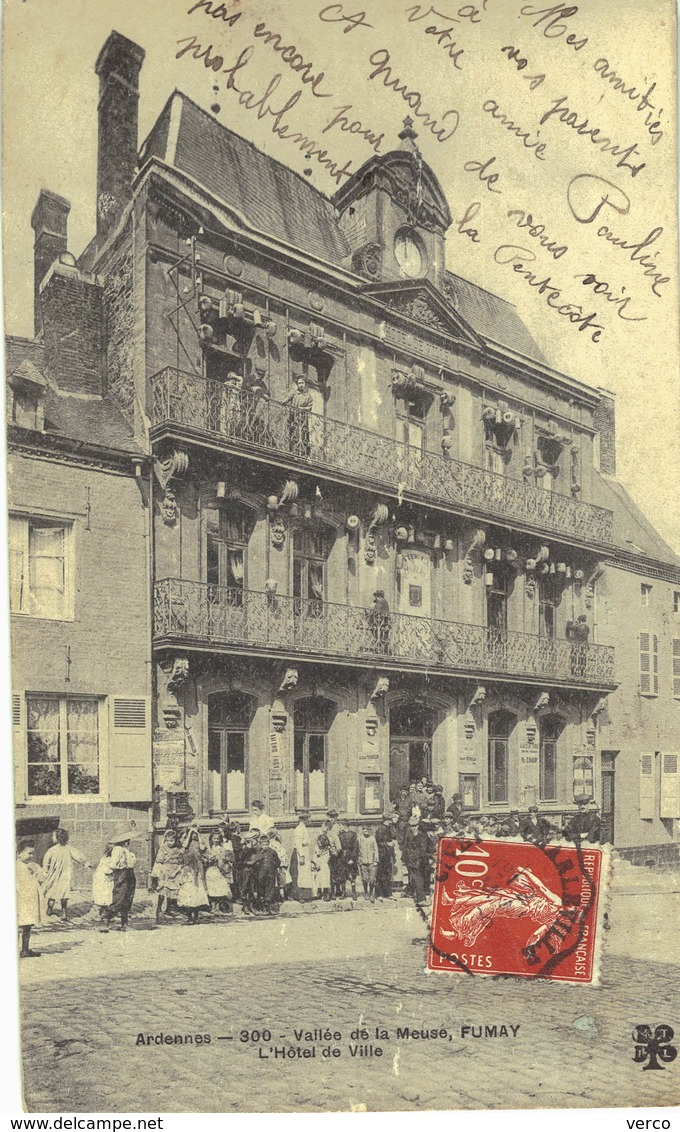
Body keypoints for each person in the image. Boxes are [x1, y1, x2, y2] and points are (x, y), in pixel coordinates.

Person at [42, 828, 91, 922]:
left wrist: (45, 870)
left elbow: (46, 861)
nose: (52, 837)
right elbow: (79, 856)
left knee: (52, 891)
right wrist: (85, 863)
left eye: (53, 836)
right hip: (64, 875)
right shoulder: (68, 849)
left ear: (58, 838)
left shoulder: (52, 850)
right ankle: (62, 911)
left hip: (56, 875)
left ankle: (50, 909)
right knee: (63, 893)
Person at [99, 833, 137, 932]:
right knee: (120, 897)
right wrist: (113, 869)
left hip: (129, 874)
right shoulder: (117, 849)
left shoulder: (126, 850)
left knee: (127, 899)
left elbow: (131, 863)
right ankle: (106, 918)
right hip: (122, 874)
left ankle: (124, 923)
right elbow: (113, 863)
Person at [16, 839, 45, 958]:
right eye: (28, 853)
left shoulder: (33, 866)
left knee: (27, 925)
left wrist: (37, 872)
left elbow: (42, 879)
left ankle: (25, 949)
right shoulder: (16, 867)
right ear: (19, 854)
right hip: (20, 900)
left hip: (29, 900)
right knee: (18, 926)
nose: (31, 856)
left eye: (32, 853)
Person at [150, 828, 184, 922]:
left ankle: (169, 909)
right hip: (165, 871)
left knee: (172, 891)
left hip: (175, 871)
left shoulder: (179, 849)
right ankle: (159, 909)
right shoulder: (163, 848)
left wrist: (176, 871)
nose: (169, 842)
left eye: (171, 840)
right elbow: (159, 860)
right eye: (167, 840)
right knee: (163, 890)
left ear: (175, 840)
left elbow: (181, 862)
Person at [177, 828, 209, 925]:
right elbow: (184, 845)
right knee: (188, 893)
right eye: (192, 834)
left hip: (198, 868)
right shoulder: (186, 844)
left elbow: (203, 848)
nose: (194, 835)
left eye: (195, 833)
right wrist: (190, 833)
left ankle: (196, 916)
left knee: (197, 890)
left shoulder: (199, 842)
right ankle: (190, 916)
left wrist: (198, 834)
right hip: (188, 868)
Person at [401, 815, 431, 904]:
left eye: (415, 826)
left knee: (416, 877)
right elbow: (404, 846)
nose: (413, 828)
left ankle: (407, 892)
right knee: (418, 879)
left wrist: (420, 858)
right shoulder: (407, 834)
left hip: (419, 860)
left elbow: (423, 849)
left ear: (418, 826)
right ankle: (421, 900)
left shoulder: (422, 835)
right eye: (411, 826)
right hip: (410, 860)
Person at [204, 830, 234, 914]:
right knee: (212, 889)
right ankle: (213, 907)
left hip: (219, 871)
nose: (216, 840)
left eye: (218, 838)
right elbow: (205, 858)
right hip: (211, 870)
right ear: (211, 839)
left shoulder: (222, 849)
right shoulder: (208, 848)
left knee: (219, 889)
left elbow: (225, 859)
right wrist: (209, 859)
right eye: (214, 838)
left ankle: (218, 907)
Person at [284, 374, 313, 457]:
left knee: (303, 434)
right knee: (293, 432)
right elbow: (288, 397)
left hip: (303, 418)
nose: (301, 385)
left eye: (302, 383)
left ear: (305, 384)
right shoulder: (294, 392)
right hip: (293, 416)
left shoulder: (308, 396)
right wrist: (284, 401)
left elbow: (309, 407)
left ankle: (304, 453)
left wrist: (302, 408)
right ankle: (293, 451)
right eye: (299, 383)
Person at [290, 811, 314, 902]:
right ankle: (300, 895)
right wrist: (302, 856)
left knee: (305, 874)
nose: (309, 820)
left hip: (305, 852)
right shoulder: (299, 829)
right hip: (301, 853)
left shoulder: (304, 828)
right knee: (301, 874)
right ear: (304, 819)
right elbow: (298, 843)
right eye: (308, 818)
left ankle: (306, 895)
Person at [257, 833, 281, 914]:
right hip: (261, 875)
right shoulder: (258, 852)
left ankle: (269, 907)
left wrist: (274, 867)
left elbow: (278, 862)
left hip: (271, 874)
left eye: (266, 844)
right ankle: (262, 908)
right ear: (260, 844)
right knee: (261, 890)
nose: (265, 846)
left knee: (270, 890)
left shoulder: (273, 852)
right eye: (263, 844)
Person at [375, 816, 395, 899]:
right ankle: (379, 894)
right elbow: (378, 842)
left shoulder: (388, 828)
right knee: (381, 874)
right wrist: (387, 844)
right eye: (389, 820)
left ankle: (387, 893)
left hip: (387, 854)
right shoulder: (381, 829)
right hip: (381, 854)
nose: (390, 822)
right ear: (386, 820)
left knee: (387, 873)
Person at [338, 820, 359, 900]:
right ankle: (343, 893)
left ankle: (354, 893)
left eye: (341, 825)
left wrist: (352, 859)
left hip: (350, 856)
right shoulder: (340, 835)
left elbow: (355, 847)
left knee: (352, 876)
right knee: (342, 875)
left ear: (345, 825)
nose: (340, 827)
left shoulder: (353, 835)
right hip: (342, 857)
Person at [358, 825, 379, 903]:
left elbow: (376, 849)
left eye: (368, 829)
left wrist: (376, 860)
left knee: (372, 880)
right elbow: (358, 850)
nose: (366, 831)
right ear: (362, 830)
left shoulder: (372, 838)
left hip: (372, 862)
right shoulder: (360, 839)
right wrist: (359, 861)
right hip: (363, 862)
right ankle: (366, 892)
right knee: (364, 879)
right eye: (364, 829)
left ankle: (371, 893)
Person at [367, 590, 391, 654]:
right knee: (383, 638)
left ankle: (379, 651)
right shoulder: (385, 602)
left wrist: (370, 611)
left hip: (380, 623)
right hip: (385, 623)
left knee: (378, 637)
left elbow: (377, 610)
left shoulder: (380, 601)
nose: (375, 599)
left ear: (379, 596)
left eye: (376, 597)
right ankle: (384, 651)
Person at [313, 831, 332, 901]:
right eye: (318, 842)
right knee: (317, 880)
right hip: (318, 866)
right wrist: (316, 864)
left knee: (325, 880)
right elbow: (314, 857)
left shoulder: (327, 849)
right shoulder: (316, 848)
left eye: (321, 842)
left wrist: (321, 864)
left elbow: (327, 858)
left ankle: (326, 893)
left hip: (324, 866)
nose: (319, 844)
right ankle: (319, 893)